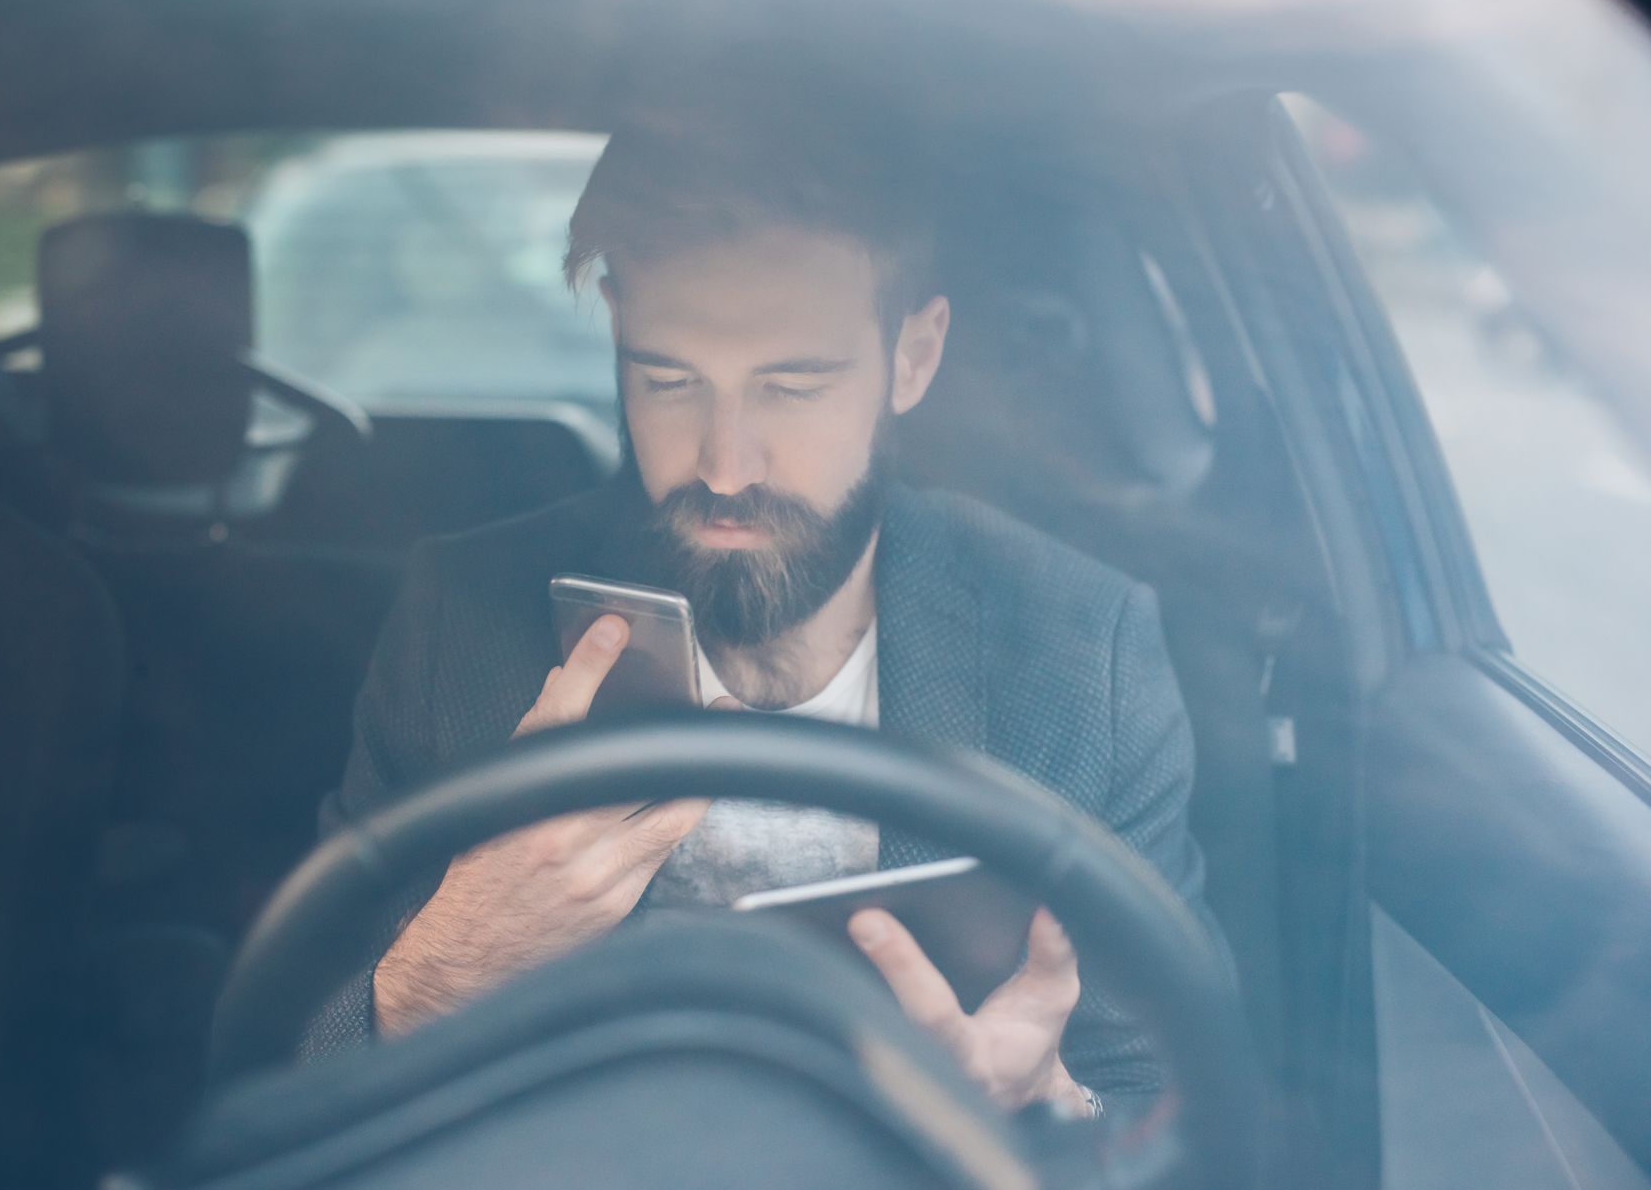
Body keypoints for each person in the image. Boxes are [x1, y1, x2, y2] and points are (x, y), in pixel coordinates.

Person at [306, 114, 1227, 1115]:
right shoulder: (466, 620)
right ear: (615, 327)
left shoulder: (1079, 648)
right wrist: (444, 974)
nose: (726, 466)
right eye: (668, 381)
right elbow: (264, 1089)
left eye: (792, 387)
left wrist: (1047, 1102)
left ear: (914, 358)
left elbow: (1181, 1102)